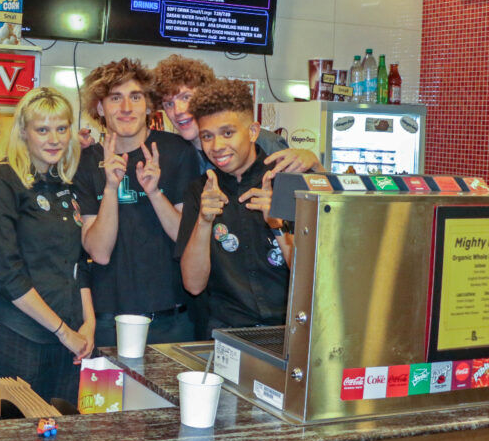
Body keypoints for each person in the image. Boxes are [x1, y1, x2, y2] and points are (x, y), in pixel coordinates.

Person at [74, 58, 201, 347]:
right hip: (108, 321)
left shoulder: (177, 152)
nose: (126, 108)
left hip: (171, 320)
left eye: (135, 97)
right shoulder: (86, 161)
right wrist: (110, 186)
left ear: (148, 105)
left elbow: (187, 237)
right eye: (115, 98)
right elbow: (99, 252)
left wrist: (155, 193)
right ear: (100, 107)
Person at [0, 87, 94, 405]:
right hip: (19, 338)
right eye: (42, 129)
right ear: (24, 133)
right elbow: (6, 273)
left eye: (61, 128)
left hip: (68, 339)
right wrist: (64, 331)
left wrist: (89, 323)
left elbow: (78, 261)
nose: (54, 139)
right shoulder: (1, 181)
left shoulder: (65, 185)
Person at [176, 79, 293, 337]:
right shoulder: (201, 190)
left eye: (228, 133)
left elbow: (315, 280)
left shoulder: (286, 181)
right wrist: (204, 222)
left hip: (289, 335)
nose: (217, 146)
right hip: (226, 335)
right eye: (208, 136)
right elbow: (193, 285)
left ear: (252, 131)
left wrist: (278, 225)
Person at [152, 54, 322, 174]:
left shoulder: (263, 143)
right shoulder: (175, 153)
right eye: (169, 104)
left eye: (186, 97)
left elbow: (309, 201)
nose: (178, 111)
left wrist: (315, 165)